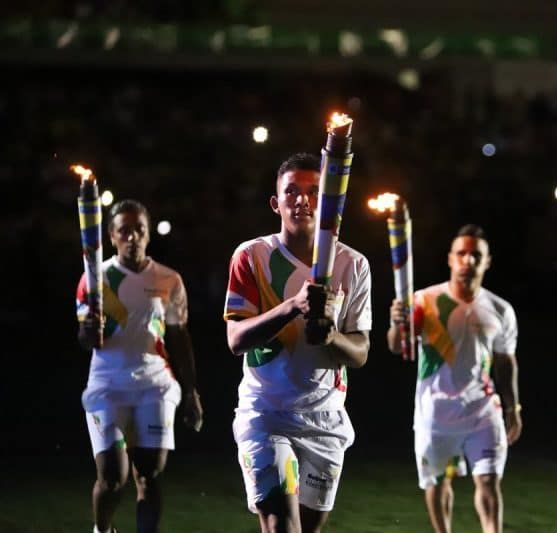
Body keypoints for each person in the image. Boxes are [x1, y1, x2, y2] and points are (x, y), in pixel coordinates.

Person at [223, 152, 372, 533]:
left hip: (326, 418)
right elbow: (236, 339)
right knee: (281, 526)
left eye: (313, 191)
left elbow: (360, 353)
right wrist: (293, 306)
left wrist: (331, 336)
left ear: (331, 203)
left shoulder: (354, 265)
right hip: (265, 413)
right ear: (276, 203)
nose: (302, 200)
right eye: (291, 191)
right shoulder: (252, 256)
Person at [76, 199, 203, 533]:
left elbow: (179, 337)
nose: (132, 237)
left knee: (149, 473)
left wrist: (191, 392)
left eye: (139, 230)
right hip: (107, 387)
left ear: (148, 234)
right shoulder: (95, 279)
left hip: (155, 385)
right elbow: (86, 339)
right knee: (113, 477)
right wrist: (89, 331)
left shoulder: (168, 280)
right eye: (124, 231)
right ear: (111, 236)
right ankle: (103, 529)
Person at [387, 224, 521, 533]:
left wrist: (513, 408)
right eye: (461, 253)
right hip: (435, 413)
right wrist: (397, 323)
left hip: (483, 411)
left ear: (487, 262)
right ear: (450, 258)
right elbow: (396, 345)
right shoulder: (424, 301)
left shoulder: (500, 310)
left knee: (488, 480)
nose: (468, 261)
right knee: (438, 482)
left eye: (476, 255)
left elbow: (505, 360)